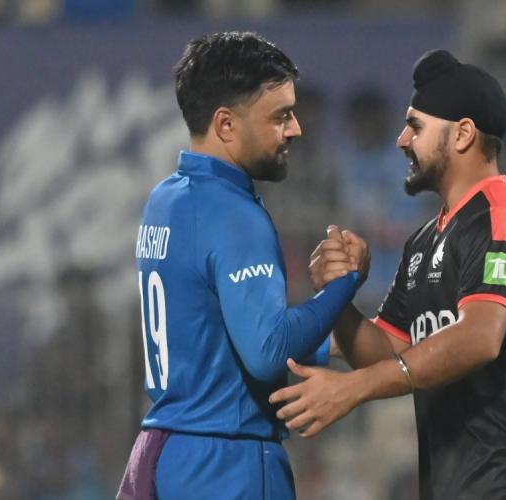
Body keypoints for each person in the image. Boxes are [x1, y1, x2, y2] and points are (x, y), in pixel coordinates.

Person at [270, 49, 506, 499]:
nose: (401, 140)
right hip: (459, 482)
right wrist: (340, 295)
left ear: (463, 134)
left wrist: (354, 389)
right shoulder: (424, 240)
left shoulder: (498, 218)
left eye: (415, 127)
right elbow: (388, 349)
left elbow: (479, 337)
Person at [117, 32, 365, 500]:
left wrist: (327, 345)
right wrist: (345, 282)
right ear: (226, 124)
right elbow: (267, 351)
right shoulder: (234, 214)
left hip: (161, 453)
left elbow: (213, 333)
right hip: (226, 462)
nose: (296, 129)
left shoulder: (165, 200)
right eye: (280, 116)